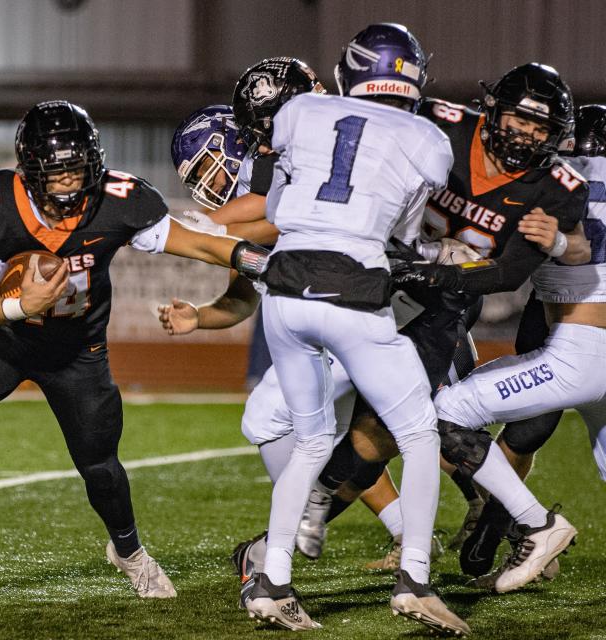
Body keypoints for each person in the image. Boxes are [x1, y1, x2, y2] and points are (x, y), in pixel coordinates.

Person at [0, 100, 268, 598]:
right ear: (30, 171)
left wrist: (254, 259)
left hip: (77, 349)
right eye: (57, 172)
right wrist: (18, 306)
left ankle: (128, 549)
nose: (69, 182)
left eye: (76, 168)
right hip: (2, 340)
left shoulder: (118, 199)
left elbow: (199, 244)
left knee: (99, 463)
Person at [294, 64, 590, 582]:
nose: (527, 136)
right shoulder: (442, 125)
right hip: (373, 270)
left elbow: (508, 274)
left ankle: (314, 511)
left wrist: (429, 272)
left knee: (384, 428)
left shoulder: (557, 187)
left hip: (441, 299)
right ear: (493, 111)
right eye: (519, 121)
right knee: (296, 402)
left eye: (540, 129)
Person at [243, 23, 468, 634]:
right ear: (411, 79)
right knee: (420, 432)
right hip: (353, 287)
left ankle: (272, 582)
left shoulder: (300, 111)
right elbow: (406, 233)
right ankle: (416, 581)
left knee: (312, 441)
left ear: (349, 72)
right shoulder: (427, 136)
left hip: (285, 292)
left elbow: (275, 208)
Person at [431, 102, 606, 592]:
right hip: (588, 347)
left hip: (582, 352)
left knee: (447, 410)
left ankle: (534, 526)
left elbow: (562, 248)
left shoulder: (556, 184)